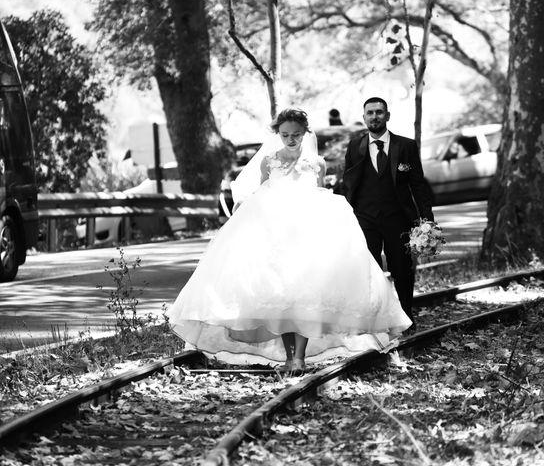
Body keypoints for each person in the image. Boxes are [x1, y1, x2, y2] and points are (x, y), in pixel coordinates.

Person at [167, 108, 411, 374]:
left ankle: (299, 358)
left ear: (305, 133)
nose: (291, 139)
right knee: (281, 295)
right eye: (285, 134)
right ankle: (289, 357)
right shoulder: (269, 161)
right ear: (277, 134)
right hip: (276, 235)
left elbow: (318, 192)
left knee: (306, 294)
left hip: (307, 233)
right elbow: (263, 191)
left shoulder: (317, 162)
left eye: (296, 134)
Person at [342, 97, 434, 325]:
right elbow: (349, 183)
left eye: (379, 112)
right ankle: (374, 319)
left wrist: (427, 221)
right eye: (370, 113)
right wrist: (344, 216)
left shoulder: (406, 146)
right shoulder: (355, 146)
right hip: (365, 218)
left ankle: (406, 316)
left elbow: (418, 185)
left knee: (402, 271)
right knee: (369, 272)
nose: (375, 116)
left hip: (398, 219)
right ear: (364, 118)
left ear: (387, 115)